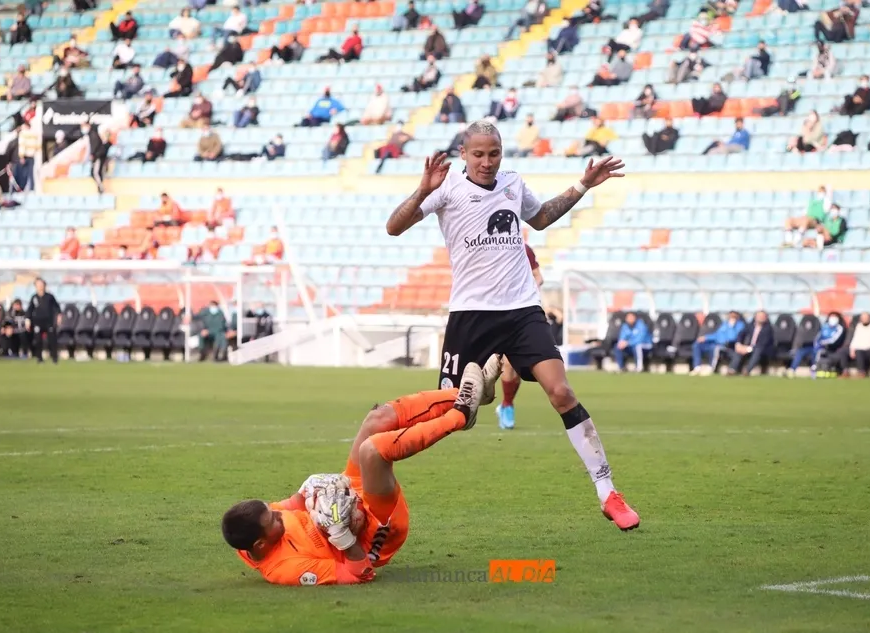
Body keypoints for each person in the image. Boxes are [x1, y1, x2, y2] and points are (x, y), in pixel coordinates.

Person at [384, 122, 640, 531]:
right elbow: (393, 227)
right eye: (479, 154)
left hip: (522, 310)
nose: (487, 162)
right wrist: (422, 190)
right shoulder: (446, 187)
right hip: (471, 315)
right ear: (464, 154)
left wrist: (583, 186)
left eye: (495, 153)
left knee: (561, 391)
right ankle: (460, 405)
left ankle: (607, 491)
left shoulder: (513, 183)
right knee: (456, 411)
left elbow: (539, 219)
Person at [222, 359, 498, 586]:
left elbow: (294, 503)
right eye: (273, 520)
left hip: (349, 502)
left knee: (376, 419)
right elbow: (360, 573)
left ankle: (467, 395)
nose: (278, 514)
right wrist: (341, 536)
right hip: (373, 535)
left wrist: (310, 488)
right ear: (260, 544)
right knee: (372, 451)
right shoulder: (286, 569)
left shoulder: (261, 525)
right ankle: (460, 415)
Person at [495, 242, 543, 430]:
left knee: (515, 363)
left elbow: (539, 277)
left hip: (522, 310)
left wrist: (528, 289)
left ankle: (507, 404)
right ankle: (506, 405)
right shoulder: (489, 246)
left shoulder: (524, 248)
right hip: (494, 310)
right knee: (504, 362)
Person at [787, 312, 845, 376]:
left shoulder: (839, 328)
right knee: (800, 351)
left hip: (829, 348)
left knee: (817, 353)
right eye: (832, 317)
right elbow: (818, 337)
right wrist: (817, 343)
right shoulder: (825, 326)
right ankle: (792, 370)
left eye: (834, 317)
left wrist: (822, 343)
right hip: (816, 346)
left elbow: (834, 340)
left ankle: (815, 370)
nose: (833, 319)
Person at [26, 277, 61, 364]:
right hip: (38, 322)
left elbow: (57, 308)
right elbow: (30, 310)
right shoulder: (34, 297)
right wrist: (28, 320)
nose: (40, 286)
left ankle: (54, 358)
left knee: (52, 340)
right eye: (38, 285)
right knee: (38, 341)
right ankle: (39, 358)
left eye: (41, 284)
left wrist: (59, 317)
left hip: (49, 322)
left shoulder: (50, 297)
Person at [728, 311, 774, 375]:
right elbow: (741, 335)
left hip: (762, 350)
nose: (760, 318)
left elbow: (763, 344)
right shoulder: (749, 326)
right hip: (749, 347)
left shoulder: (768, 329)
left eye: (762, 316)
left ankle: (747, 370)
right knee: (739, 350)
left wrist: (748, 349)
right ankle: (732, 369)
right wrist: (738, 344)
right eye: (759, 316)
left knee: (758, 351)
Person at [834, 312, 870, 377]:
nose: (864, 319)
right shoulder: (859, 326)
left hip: (869, 350)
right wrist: (852, 349)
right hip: (857, 349)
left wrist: (857, 348)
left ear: (869, 318)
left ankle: (861, 372)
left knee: (859, 352)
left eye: (865, 318)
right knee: (843, 351)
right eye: (862, 318)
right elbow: (855, 340)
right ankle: (845, 371)